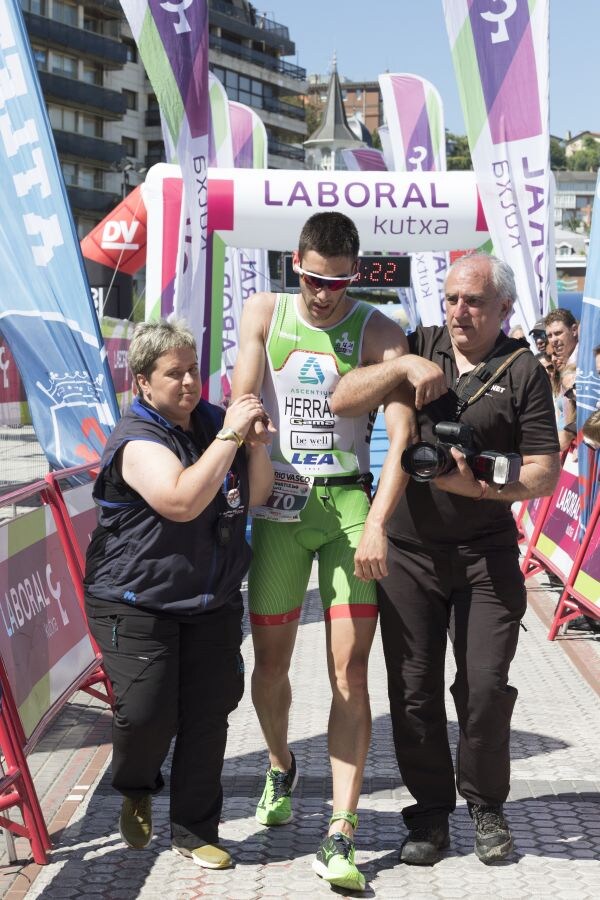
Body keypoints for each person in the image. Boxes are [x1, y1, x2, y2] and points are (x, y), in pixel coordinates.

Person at [231, 211, 445, 891]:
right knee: (270, 666)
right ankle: (278, 764)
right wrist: (249, 422)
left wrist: (380, 521)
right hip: (280, 509)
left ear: (356, 273)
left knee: (350, 672)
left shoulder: (378, 328)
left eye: (341, 282)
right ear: (297, 263)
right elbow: (241, 391)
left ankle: (340, 832)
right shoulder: (264, 311)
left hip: (349, 507)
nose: (327, 294)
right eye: (317, 280)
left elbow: (402, 437)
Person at [331, 253, 561, 867]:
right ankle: (430, 814)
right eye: (453, 298)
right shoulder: (415, 344)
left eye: (475, 302)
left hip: (486, 555)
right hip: (408, 554)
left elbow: (544, 472)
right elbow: (342, 397)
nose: (460, 311)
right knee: (412, 692)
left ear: (504, 310)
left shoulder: (523, 372)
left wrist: (481, 487)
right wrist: (402, 364)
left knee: (483, 688)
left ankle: (485, 807)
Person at [83, 320, 273, 869]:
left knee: (209, 712)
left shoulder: (212, 421)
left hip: (210, 600)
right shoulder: (137, 440)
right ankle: (137, 785)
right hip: (135, 598)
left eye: (193, 369)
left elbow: (255, 495)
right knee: (146, 713)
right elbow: (181, 501)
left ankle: (195, 830)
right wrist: (231, 438)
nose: (189, 382)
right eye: (174, 374)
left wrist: (255, 447)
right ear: (143, 382)